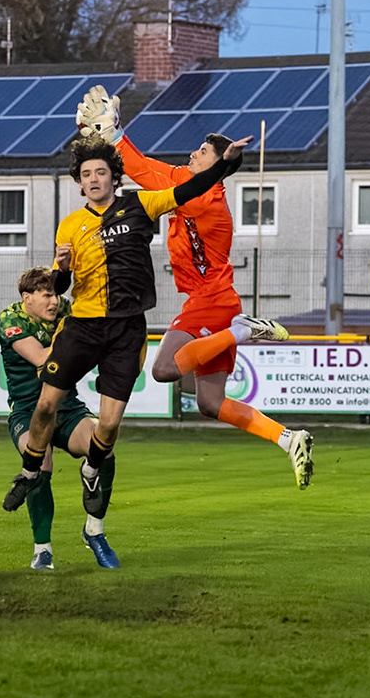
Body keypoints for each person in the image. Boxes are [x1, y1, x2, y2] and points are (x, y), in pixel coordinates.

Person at [2, 135, 243, 567]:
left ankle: (92, 472)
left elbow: (189, 189)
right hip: (83, 327)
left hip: (126, 330)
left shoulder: (142, 205)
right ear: (79, 183)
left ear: (114, 175)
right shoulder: (71, 225)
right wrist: (62, 268)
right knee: (44, 407)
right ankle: (29, 471)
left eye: (100, 172)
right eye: (86, 174)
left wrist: (226, 165)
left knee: (109, 427)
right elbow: (59, 288)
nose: (93, 179)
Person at [117, 126, 312, 487]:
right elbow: (141, 166)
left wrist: (228, 160)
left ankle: (243, 330)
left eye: (202, 151)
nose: (193, 154)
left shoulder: (207, 199)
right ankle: (289, 438)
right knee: (208, 401)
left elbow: (156, 178)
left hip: (212, 301)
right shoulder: (187, 181)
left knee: (163, 370)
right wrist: (116, 134)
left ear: (216, 164)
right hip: (214, 302)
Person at [0, 267, 113, 570]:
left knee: (104, 444)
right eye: (47, 295)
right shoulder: (10, 320)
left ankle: (94, 531)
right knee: (39, 460)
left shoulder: (64, 309)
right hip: (27, 409)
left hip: (67, 406)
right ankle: (42, 550)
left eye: (56, 295)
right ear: (27, 298)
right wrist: (77, 342)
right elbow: (40, 358)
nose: (54, 302)